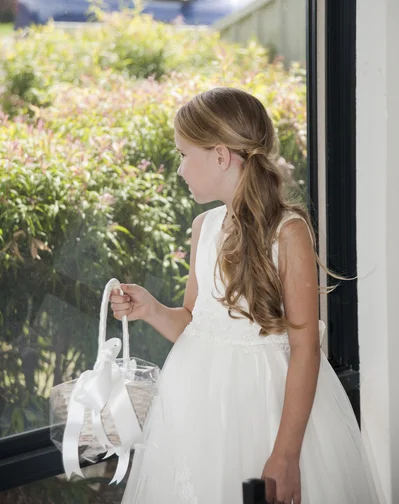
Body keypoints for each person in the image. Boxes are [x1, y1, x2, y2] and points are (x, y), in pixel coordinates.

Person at [110, 88, 379, 504]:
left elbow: (305, 348)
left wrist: (287, 455)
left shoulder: (287, 233)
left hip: (265, 409)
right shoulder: (205, 227)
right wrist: (151, 309)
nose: (179, 169)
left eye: (184, 154)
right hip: (199, 409)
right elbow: (195, 323)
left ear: (220, 156)